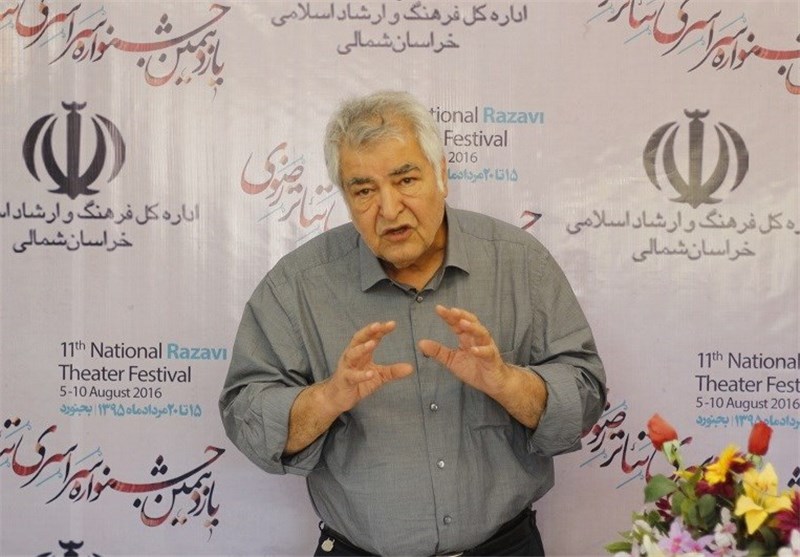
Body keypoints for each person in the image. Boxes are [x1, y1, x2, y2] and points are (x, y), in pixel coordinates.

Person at [219, 90, 606, 556]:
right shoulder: (296, 286)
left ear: (441, 174)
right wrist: (328, 398)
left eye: (405, 179)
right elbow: (247, 418)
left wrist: (507, 383)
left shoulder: (522, 264)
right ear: (345, 196)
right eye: (364, 190)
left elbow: (586, 394)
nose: (388, 208)